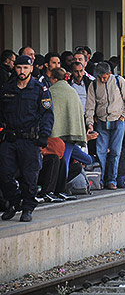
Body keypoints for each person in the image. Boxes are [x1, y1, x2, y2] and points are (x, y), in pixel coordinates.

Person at [0, 55, 54, 222]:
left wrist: (44, 134)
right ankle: (15, 202)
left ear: (31, 68)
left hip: (30, 139)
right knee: (4, 173)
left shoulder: (39, 89)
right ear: (14, 68)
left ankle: (28, 208)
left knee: (30, 176)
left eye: (25, 68)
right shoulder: (8, 88)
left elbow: (47, 114)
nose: (21, 71)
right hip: (10, 138)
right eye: (18, 68)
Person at [85, 62, 125, 190]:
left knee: (115, 152)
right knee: (100, 152)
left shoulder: (119, 81)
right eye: (100, 77)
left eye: (105, 77)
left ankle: (112, 180)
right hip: (101, 122)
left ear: (109, 74)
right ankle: (100, 180)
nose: (102, 79)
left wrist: (124, 115)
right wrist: (90, 123)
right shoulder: (93, 85)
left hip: (118, 120)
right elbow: (90, 107)